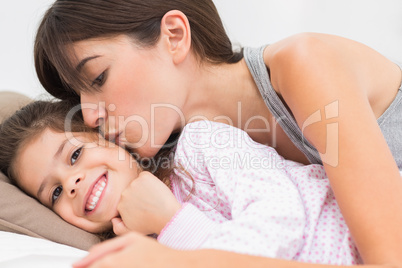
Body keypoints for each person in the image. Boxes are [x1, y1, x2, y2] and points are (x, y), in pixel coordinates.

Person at [34, 0, 402, 267]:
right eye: (79, 98)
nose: (89, 114)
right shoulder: (180, 170)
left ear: (175, 36)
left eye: (98, 78)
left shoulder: (304, 63)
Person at [0, 100, 361, 265]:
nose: (73, 183)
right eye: (57, 192)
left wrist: (171, 221)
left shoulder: (202, 144)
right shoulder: (139, 251)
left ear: (109, 137)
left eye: (75, 155)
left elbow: (281, 223)